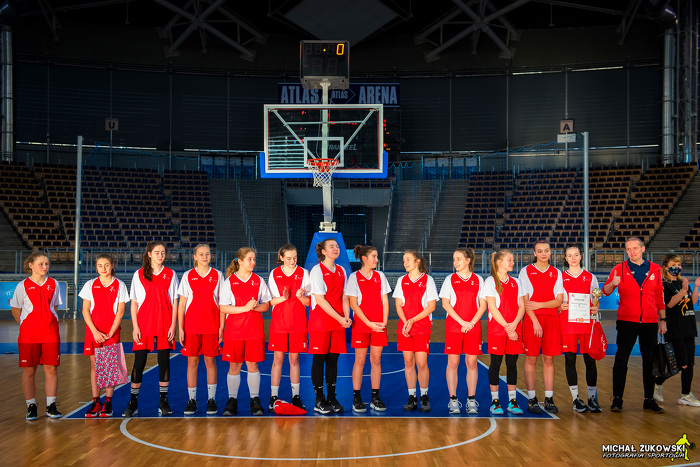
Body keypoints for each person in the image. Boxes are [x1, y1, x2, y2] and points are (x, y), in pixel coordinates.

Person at [603, 237, 666, 414]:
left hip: (650, 322)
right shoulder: (619, 268)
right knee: (621, 359)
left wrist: (663, 319)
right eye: (628, 249)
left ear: (643, 249)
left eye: (635, 248)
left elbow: (659, 296)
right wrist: (612, 284)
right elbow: (605, 292)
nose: (632, 252)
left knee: (649, 361)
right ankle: (617, 399)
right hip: (626, 321)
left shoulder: (655, 269)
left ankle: (649, 399)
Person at [124, 241, 179, 417]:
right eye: (157, 252)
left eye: (163, 252)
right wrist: (135, 327)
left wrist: (173, 325)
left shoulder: (171, 274)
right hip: (144, 323)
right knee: (139, 362)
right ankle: (133, 402)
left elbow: (175, 301)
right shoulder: (139, 274)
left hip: (165, 323)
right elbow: (134, 303)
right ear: (149, 254)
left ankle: (163, 400)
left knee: (164, 361)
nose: (160, 255)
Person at [10, 251, 63, 420]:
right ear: (31, 265)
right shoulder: (22, 286)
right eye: (41, 264)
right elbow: (16, 311)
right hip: (29, 335)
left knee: (51, 369)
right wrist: (28, 327)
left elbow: (54, 307)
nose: (44, 267)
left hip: (50, 332)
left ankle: (51, 405)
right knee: (29, 370)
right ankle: (31, 406)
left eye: (46, 264)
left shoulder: (54, 283)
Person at [220, 247, 271, 416]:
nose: (253, 262)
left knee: (253, 365)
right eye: (249, 259)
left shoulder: (258, 280)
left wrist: (255, 307)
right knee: (234, 366)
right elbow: (223, 307)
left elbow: (266, 305)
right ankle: (232, 400)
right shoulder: (229, 282)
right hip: (234, 331)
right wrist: (245, 308)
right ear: (240, 261)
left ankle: (254, 400)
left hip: (254, 330)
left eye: (254, 259)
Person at [177, 244, 225, 416]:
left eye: (208, 254)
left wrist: (221, 326)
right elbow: (182, 304)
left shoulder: (218, 275)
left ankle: (211, 399)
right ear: (195, 257)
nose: (205, 257)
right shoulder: (187, 275)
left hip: (212, 325)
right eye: (201, 254)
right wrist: (180, 328)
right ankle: (192, 400)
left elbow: (222, 303)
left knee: (210, 362)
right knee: (192, 362)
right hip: (192, 326)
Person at [79, 253, 128, 418]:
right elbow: (85, 310)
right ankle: (96, 402)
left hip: (111, 332)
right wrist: (95, 331)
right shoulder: (90, 284)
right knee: (95, 366)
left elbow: (120, 312)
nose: (103, 268)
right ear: (96, 267)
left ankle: (108, 402)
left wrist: (110, 333)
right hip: (93, 331)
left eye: (106, 265)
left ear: (112, 265)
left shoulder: (120, 285)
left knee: (109, 366)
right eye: (100, 265)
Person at [518, 240, 564, 414]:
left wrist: (540, 304)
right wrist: (535, 320)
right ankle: (532, 399)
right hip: (532, 320)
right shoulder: (526, 271)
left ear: (550, 252)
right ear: (534, 253)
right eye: (540, 251)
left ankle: (549, 399)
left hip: (552, 319)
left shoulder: (556, 273)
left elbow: (558, 301)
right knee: (531, 359)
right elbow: (526, 301)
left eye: (546, 250)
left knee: (549, 359)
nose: (543, 254)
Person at [439, 248, 486, 415]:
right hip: (454, 327)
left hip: (473, 327)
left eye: (459, 258)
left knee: (471, 363)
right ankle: (453, 400)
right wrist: (462, 322)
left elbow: (483, 305)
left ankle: (471, 400)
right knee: (453, 363)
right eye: (454, 259)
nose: (455, 262)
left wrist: (471, 323)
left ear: (468, 260)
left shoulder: (479, 279)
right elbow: (445, 304)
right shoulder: (449, 279)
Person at [346, 245, 391, 413]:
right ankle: (356, 397)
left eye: (377, 256)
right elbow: (353, 304)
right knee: (360, 360)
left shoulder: (380, 276)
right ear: (364, 258)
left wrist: (384, 321)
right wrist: (369, 323)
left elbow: (385, 300)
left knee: (376, 360)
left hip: (379, 325)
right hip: (362, 325)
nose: (376, 260)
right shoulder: (354, 277)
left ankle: (375, 397)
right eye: (374, 256)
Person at [308, 238, 351, 414]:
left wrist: (346, 316)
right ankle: (319, 400)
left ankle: (332, 398)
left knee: (333, 359)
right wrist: (340, 318)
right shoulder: (317, 270)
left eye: (337, 246)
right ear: (324, 251)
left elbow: (345, 297)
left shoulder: (341, 270)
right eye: (331, 246)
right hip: (321, 321)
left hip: (338, 321)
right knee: (319, 359)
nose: (336, 248)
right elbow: (320, 300)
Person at [267, 244, 311, 412]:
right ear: (281, 258)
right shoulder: (274, 274)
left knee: (294, 359)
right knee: (278, 359)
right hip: (279, 323)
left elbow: (308, 302)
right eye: (289, 258)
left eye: (295, 257)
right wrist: (283, 298)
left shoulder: (304, 273)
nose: (293, 261)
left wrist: (300, 297)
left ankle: (296, 396)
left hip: (298, 323)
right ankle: (273, 397)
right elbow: (270, 301)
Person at [652, 254, 699, 407]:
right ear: (665, 267)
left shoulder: (682, 282)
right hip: (675, 328)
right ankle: (657, 383)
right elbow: (670, 304)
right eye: (673, 264)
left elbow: (692, 301)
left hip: (689, 326)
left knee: (689, 363)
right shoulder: (664, 284)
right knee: (681, 364)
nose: (677, 267)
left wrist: (695, 287)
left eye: (678, 264)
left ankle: (686, 395)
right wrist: (683, 290)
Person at [559, 245, 602, 413]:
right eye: (569, 255)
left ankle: (592, 398)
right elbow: (557, 301)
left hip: (586, 323)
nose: (573, 258)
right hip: (568, 323)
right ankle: (575, 399)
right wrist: (560, 306)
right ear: (565, 258)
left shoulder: (591, 277)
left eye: (576, 254)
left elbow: (595, 300)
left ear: (581, 256)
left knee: (590, 361)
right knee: (570, 360)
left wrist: (596, 308)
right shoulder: (560, 278)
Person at [394, 250, 438, 412]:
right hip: (405, 328)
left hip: (421, 327)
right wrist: (406, 322)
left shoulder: (428, 280)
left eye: (408, 259)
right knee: (408, 362)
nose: (405, 263)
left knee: (421, 363)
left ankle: (424, 396)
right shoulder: (402, 280)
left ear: (417, 261)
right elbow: (398, 305)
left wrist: (412, 320)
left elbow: (431, 306)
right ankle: (411, 396)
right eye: (403, 260)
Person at [483, 249, 526, 415]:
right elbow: (493, 308)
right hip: (497, 330)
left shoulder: (516, 282)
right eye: (510, 260)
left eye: (513, 260)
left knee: (512, 364)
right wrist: (509, 328)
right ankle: (495, 402)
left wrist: (514, 325)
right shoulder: (490, 281)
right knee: (495, 364)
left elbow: (521, 306)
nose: (513, 263)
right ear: (500, 262)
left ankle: (512, 402)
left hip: (514, 329)